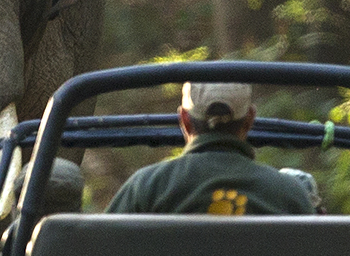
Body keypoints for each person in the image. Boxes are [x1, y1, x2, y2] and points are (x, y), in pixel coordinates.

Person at [105, 81, 315, 215]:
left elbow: (98, 255)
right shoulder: (289, 194)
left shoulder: (147, 187)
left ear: (184, 119)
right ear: (249, 119)